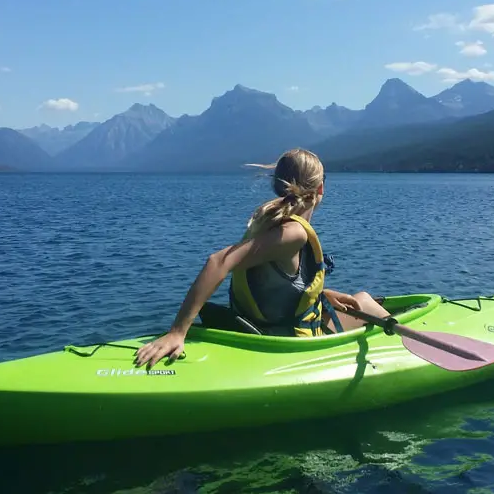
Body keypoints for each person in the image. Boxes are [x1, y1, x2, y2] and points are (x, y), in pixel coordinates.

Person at [134, 148, 390, 369]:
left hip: (266, 325)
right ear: (320, 187)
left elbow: (274, 284)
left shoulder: (270, 220)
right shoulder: (294, 233)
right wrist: (177, 333)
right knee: (365, 302)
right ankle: (408, 358)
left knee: (355, 302)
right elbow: (218, 262)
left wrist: (320, 295)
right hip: (284, 342)